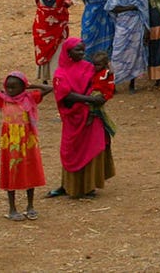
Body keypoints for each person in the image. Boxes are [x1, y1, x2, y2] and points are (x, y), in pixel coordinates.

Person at [0, 71, 53, 221]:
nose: (10, 91)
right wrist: (0, 91)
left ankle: (30, 206)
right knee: (10, 170)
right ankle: (12, 208)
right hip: (10, 142)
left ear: (23, 87)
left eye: (14, 88)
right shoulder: (3, 98)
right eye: (8, 87)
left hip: (28, 140)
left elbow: (48, 89)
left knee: (30, 169)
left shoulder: (30, 98)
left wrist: (30, 86)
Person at [48, 38, 115, 199]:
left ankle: (88, 186)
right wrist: (91, 100)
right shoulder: (61, 73)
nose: (82, 53)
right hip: (74, 118)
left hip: (91, 116)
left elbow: (102, 81)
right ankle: (69, 185)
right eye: (78, 50)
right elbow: (66, 96)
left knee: (91, 147)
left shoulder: (89, 67)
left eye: (83, 50)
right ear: (68, 52)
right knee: (72, 149)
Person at [32, 0, 72, 84]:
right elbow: (37, 2)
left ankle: (57, 77)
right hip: (42, 25)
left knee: (57, 51)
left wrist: (66, 4)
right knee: (43, 49)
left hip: (58, 26)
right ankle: (44, 78)